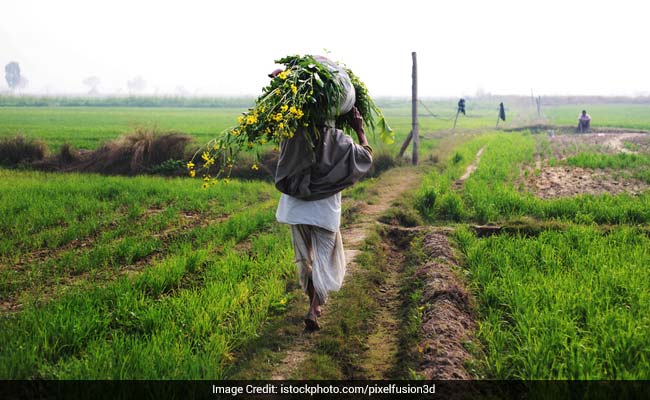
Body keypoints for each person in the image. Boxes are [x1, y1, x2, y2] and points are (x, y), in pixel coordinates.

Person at [272, 58, 373, 331]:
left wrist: (281, 79)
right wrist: (360, 128)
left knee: (305, 259)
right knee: (325, 258)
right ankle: (314, 309)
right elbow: (365, 158)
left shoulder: (293, 134)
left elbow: (280, 116)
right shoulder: (340, 141)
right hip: (324, 211)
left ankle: (313, 305)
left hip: (295, 208)